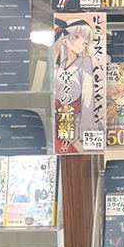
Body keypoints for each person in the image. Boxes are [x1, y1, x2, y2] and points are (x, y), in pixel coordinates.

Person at [54, 17, 95, 152]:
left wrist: (86, 131)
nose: (82, 43)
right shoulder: (58, 68)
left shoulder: (85, 62)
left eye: (85, 42)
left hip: (76, 118)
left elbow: (88, 97)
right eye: (76, 37)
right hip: (59, 119)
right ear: (65, 40)